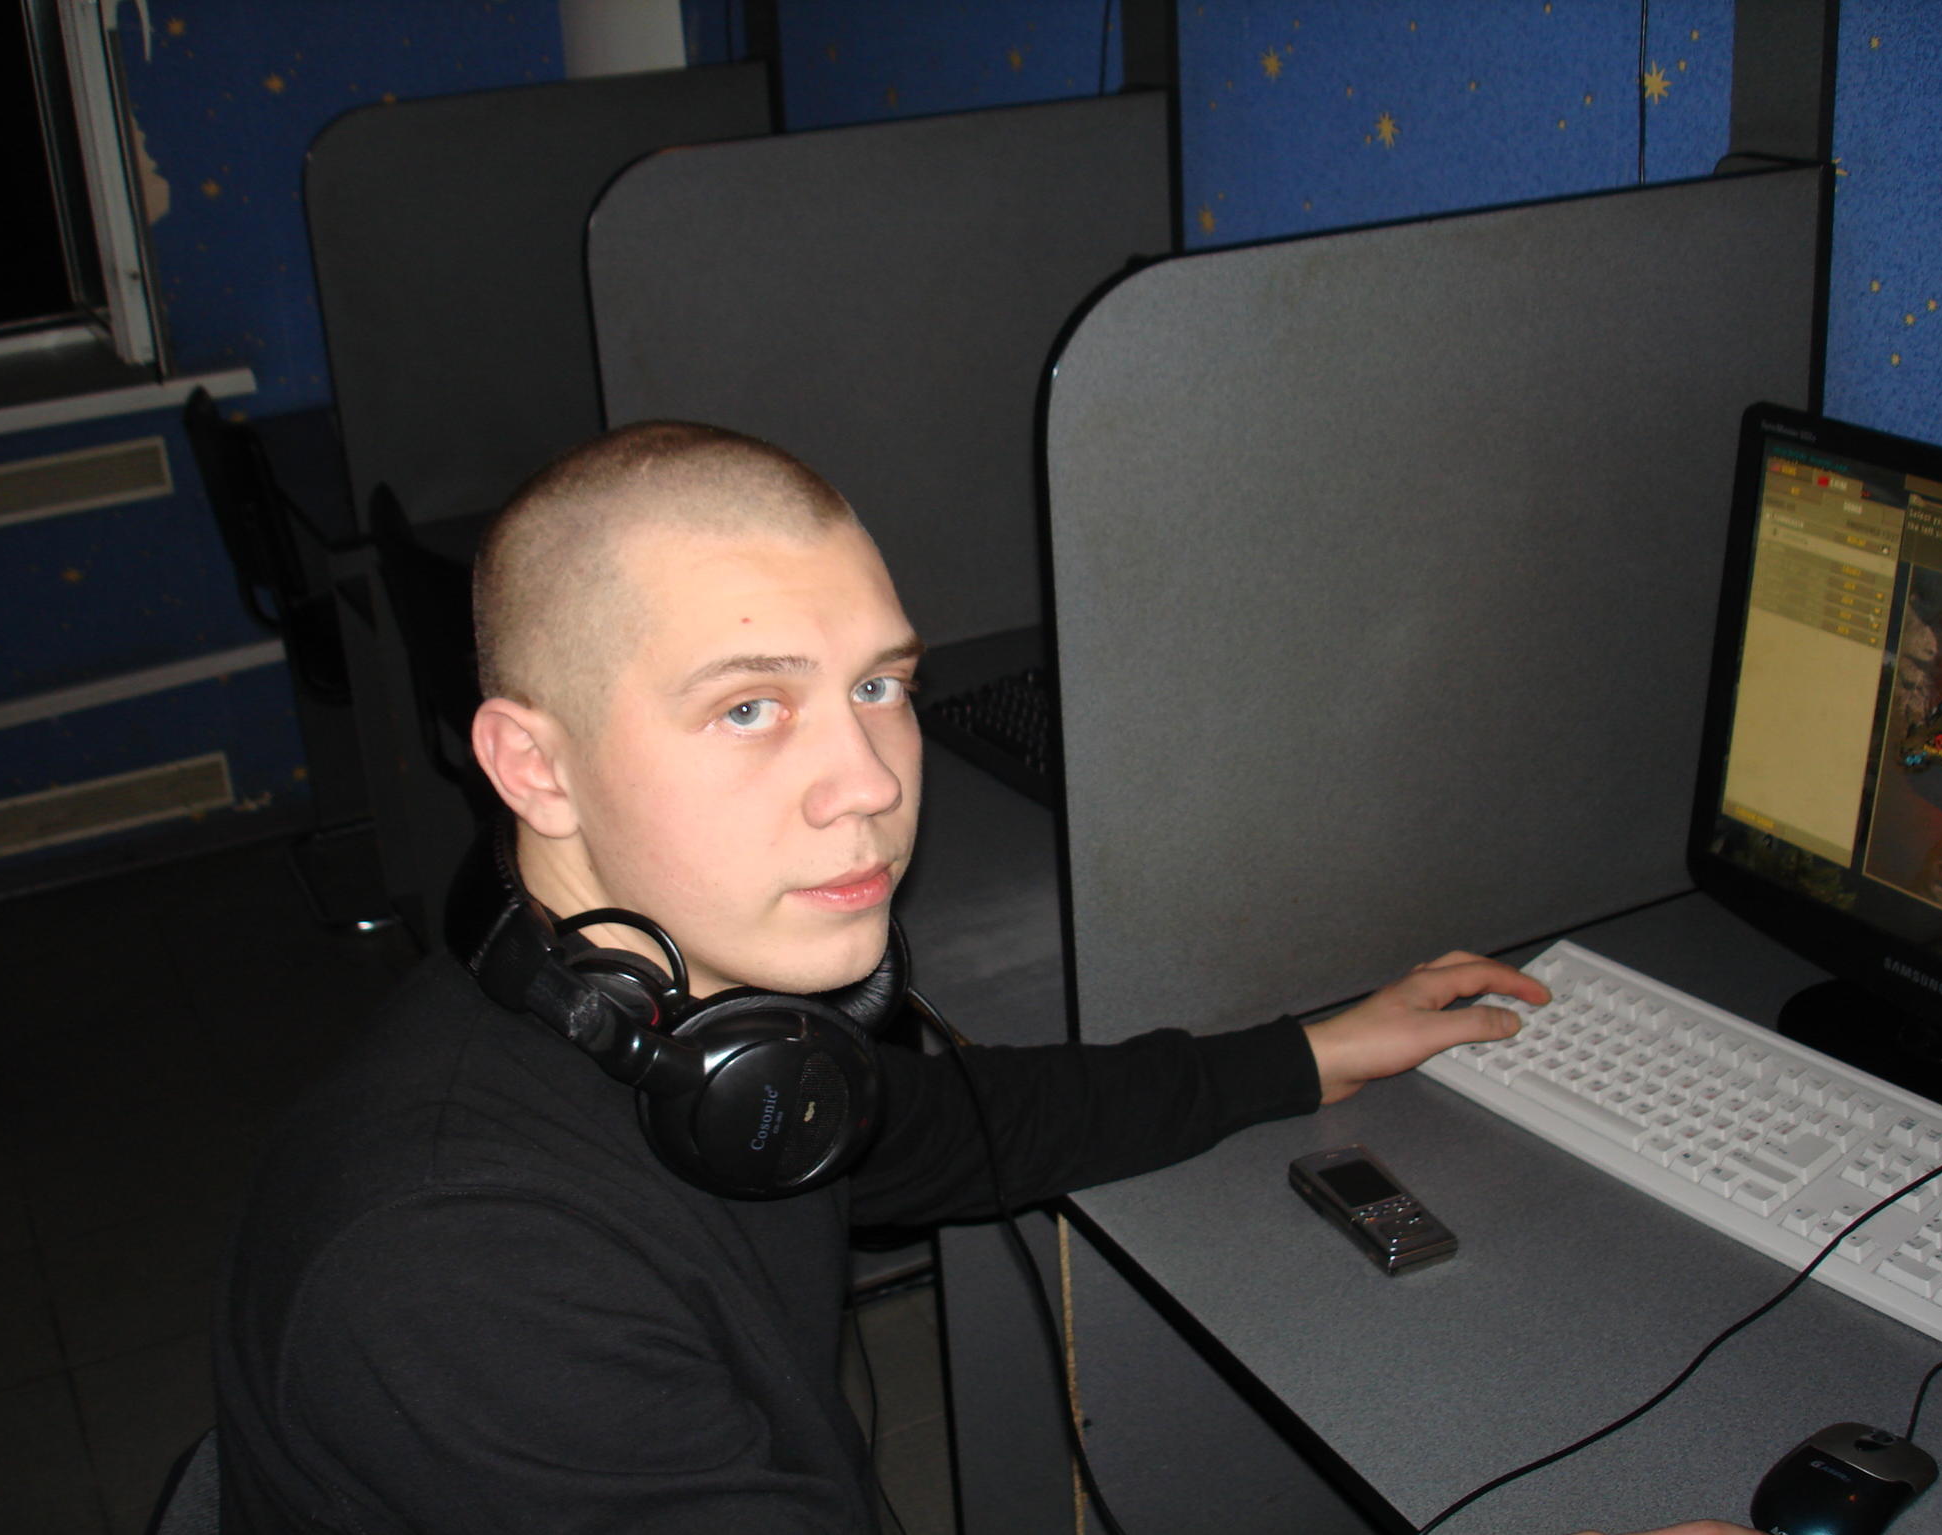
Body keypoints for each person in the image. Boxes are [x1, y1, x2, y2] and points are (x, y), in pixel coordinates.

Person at [213, 422, 1756, 1535]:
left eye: (881, 684)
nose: (871, 782)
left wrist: (1305, 1051)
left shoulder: (696, 1041)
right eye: (750, 708)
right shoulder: (467, 1274)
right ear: (532, 767)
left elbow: (961, 1126)